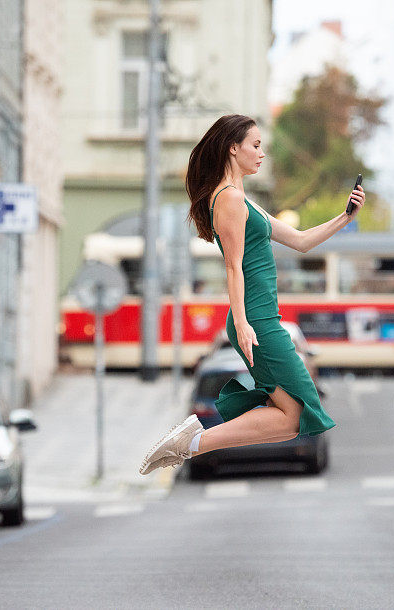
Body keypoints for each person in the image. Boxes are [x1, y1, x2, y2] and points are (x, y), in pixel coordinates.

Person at [139, 114, 365, 475]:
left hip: (262, 317)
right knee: (298, 415)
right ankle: (192, 442)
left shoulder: (242, 198)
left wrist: (345, 218)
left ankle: (191, 441)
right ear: (233, 147)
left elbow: (301, 241)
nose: (262, 154)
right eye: (256, 146)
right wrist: (243, 324)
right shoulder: (228, 199)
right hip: (257, 319)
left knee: (293, 417)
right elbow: (233, 266)